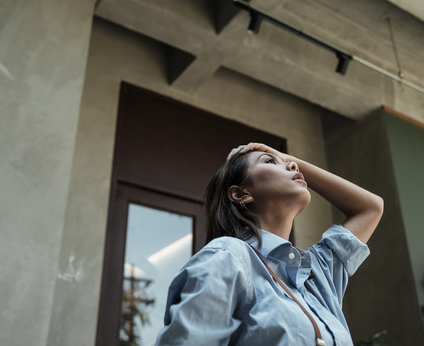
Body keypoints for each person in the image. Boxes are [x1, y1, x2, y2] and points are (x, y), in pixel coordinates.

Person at [156, 142, 383, 345]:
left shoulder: (317, 274)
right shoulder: (228, 257)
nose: (293, 166)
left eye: (289, 164)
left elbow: (371, 208)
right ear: (241, 194)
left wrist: (284, 157)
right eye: (269, 162)